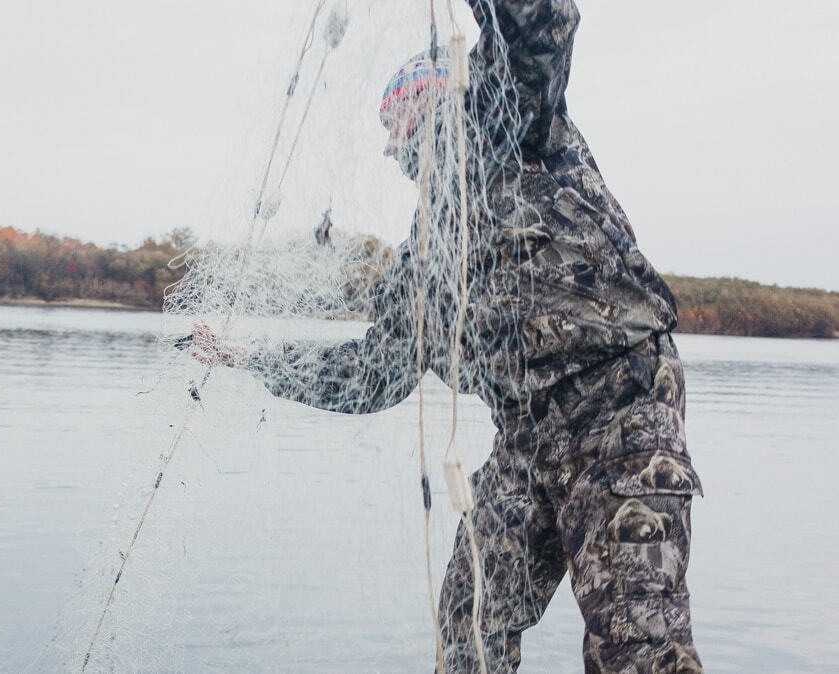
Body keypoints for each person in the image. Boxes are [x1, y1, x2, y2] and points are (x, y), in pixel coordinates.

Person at [191, 0, 703, 671]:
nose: (384, 144)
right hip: (524, 440)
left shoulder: (515, 122)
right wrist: (252, 359)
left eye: (389, 119)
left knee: (639, 641)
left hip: (622, 412)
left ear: (429, 92)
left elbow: (540, 24)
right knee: (466, 618)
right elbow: (373, 374)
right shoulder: (424, 255)